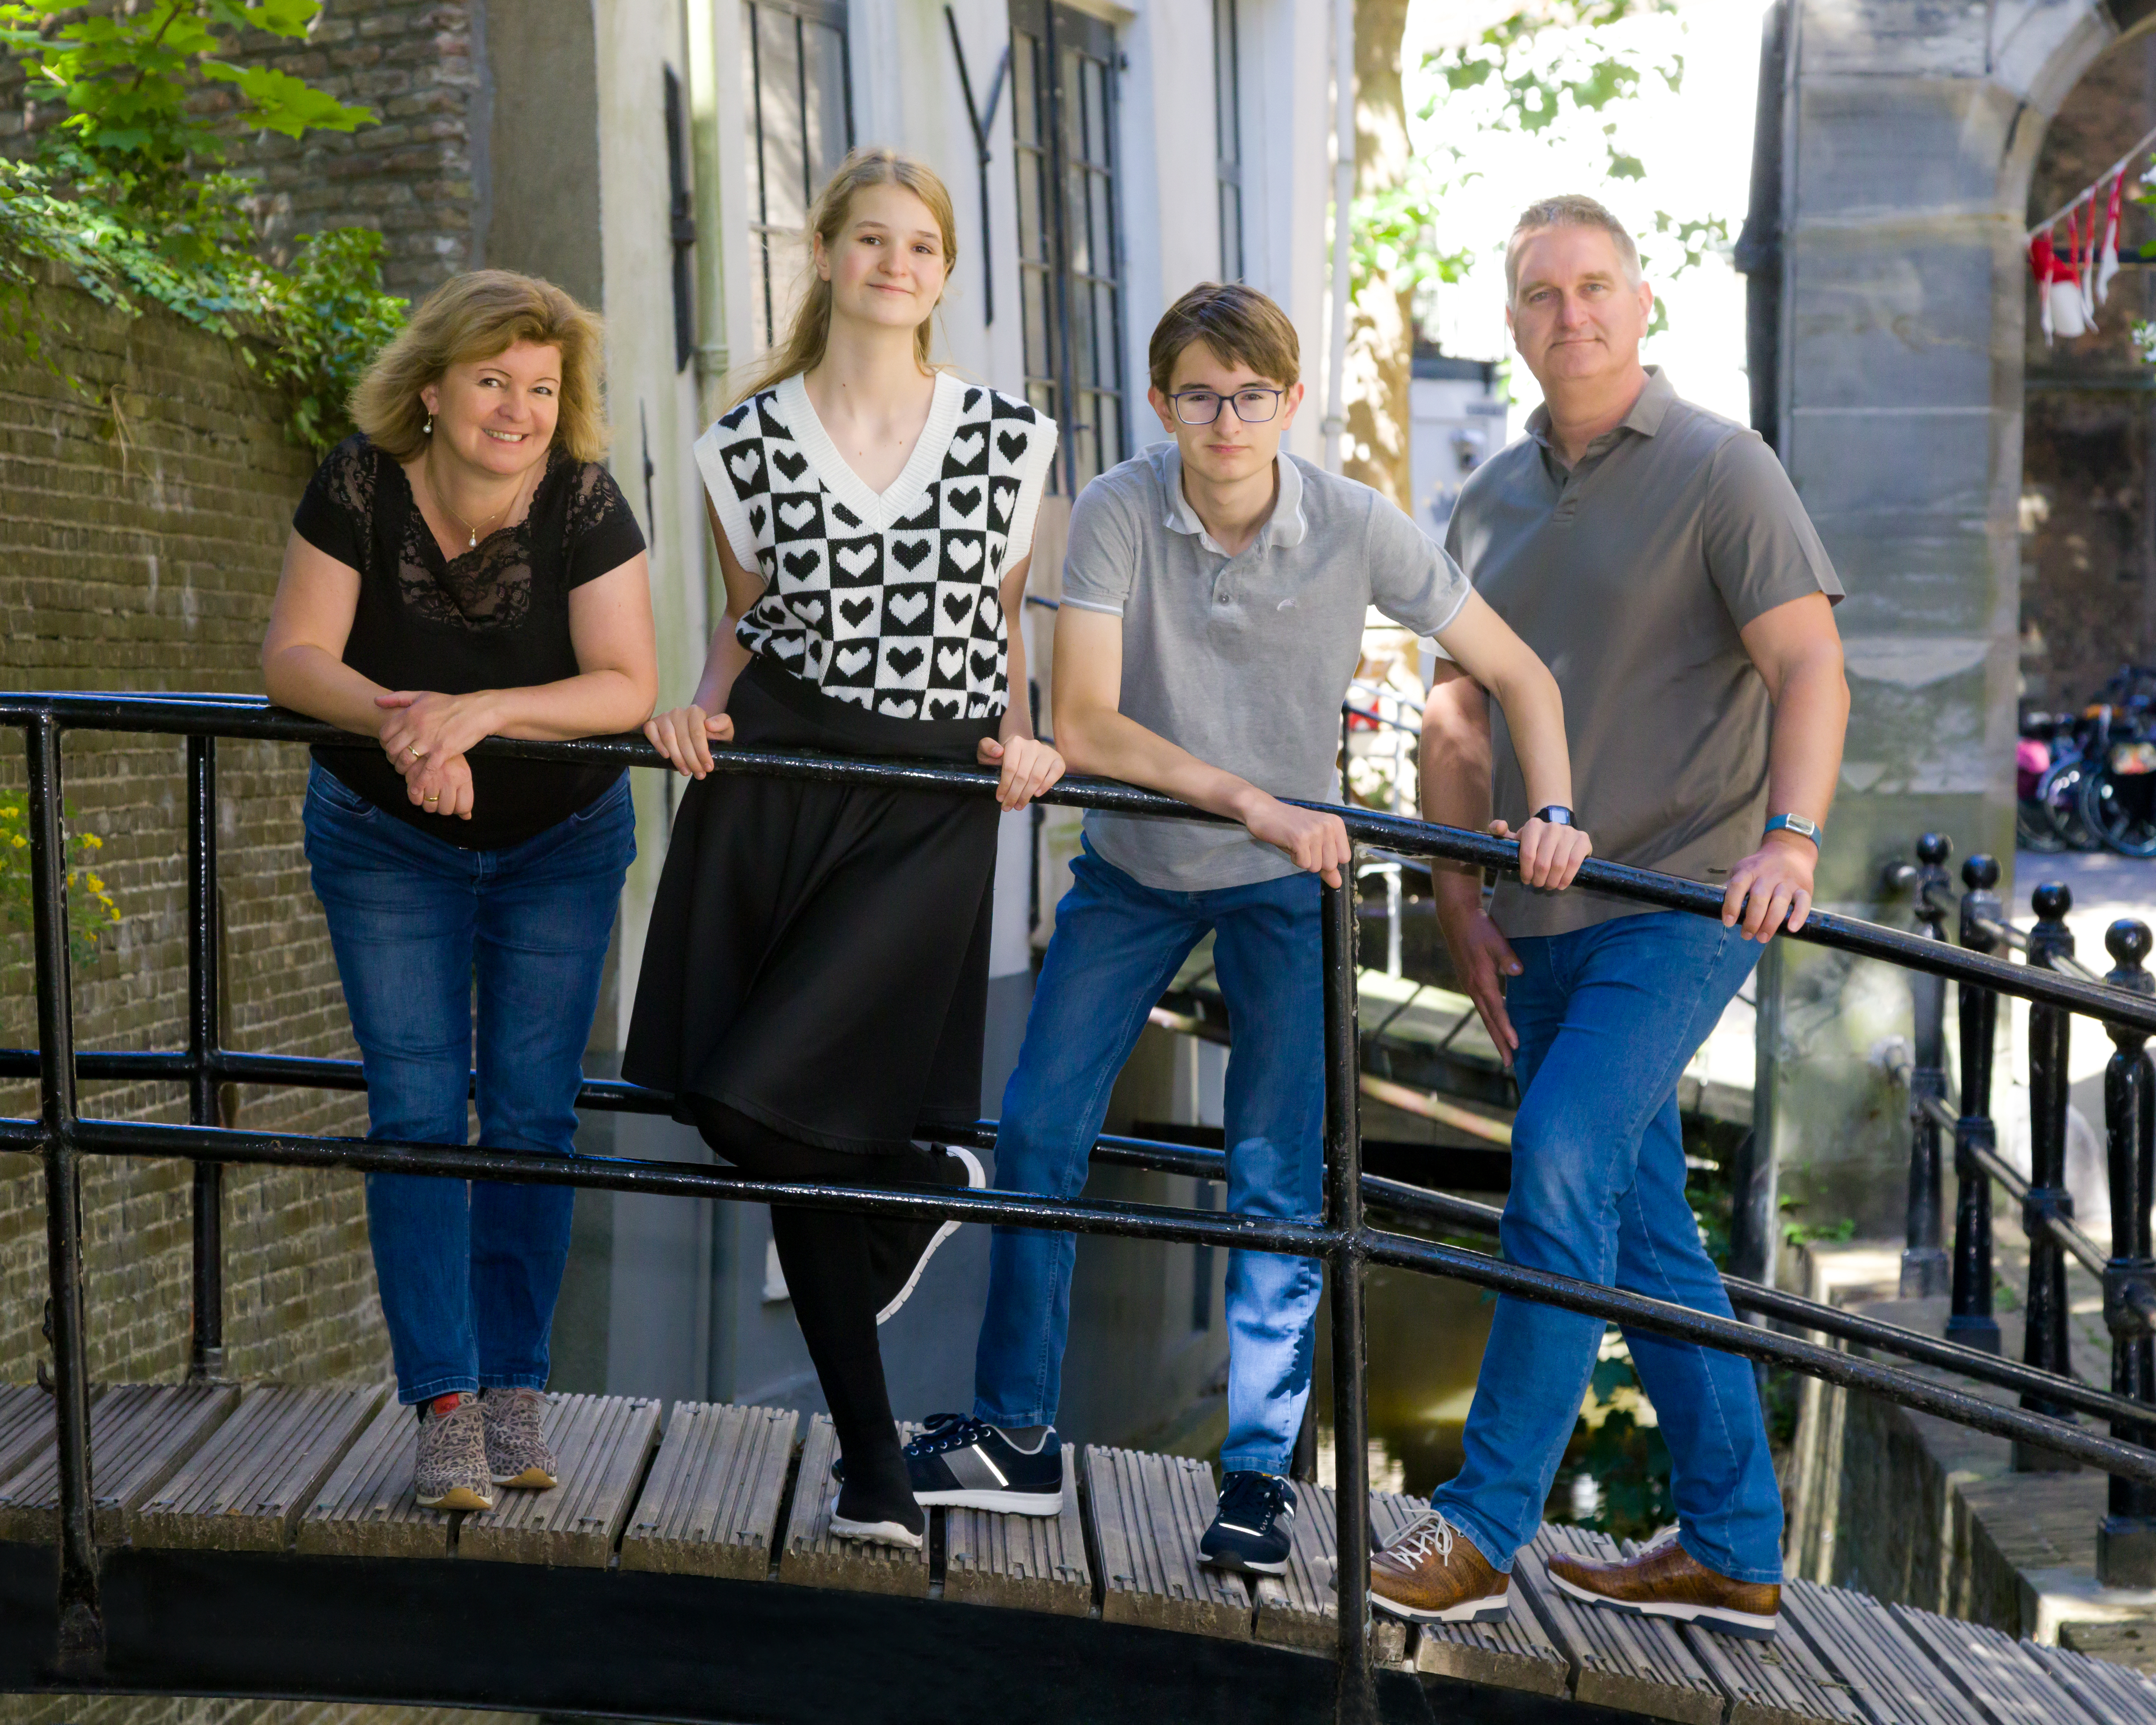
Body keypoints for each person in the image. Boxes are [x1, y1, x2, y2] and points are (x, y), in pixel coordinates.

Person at [900, 281, 1589, 1578]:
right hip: (1138, 869)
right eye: (1202, 396)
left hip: (1285, 888)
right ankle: (1019, 1433)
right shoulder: (1113, 510)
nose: (1227, 420)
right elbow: (1088, 725)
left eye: (1253, 395)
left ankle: (1260, 1482)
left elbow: (1518, 675)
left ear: (1291, 402)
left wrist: (1549, 804)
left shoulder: (1352, 524)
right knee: (1040, 1125)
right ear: (1163, 405)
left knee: (1278, 1174)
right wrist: (1256, 803)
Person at [1368, 195, 1848, 1639]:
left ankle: (1480, 1526)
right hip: (1538, 920)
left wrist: (1793, 837)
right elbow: (1454, 714)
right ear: (1510, 320)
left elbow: (1811, 667)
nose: (1567, 313)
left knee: (1564, 1158)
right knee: (1644, 1238)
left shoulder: (1723, 467)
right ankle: (1733, 1549)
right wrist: (1456, 895)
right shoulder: (1486, 497)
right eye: (1537, 294)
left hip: (1683, 900)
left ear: (1642, 306)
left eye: (1593, 287)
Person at [622, 147, 1063, 1552]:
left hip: (929, 802)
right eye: (868, 239)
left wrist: (1029, 736)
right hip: (778, 778)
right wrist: (694, 707)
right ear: (824, 256)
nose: (893, 263)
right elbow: (745, 616)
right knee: (761, 1112)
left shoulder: (1011, 439)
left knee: (774, 1097)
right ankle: (873, 1466)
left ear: (942, 274)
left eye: (920, 245)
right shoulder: (739, 443)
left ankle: (921, 1191)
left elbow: (1003, 628)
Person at [262, 270, 659, 1512]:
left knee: (535, 1118)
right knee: (420, 1113)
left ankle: (512, 1394)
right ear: (431, 388)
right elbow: (292, 660)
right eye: (493, 380)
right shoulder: (357, 483)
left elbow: (626, 686)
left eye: (542, 388)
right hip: (389, 840)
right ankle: (442, 1407)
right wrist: (408, 732)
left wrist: (482, 715)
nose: (519, 409)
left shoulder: (585, 500)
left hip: (561, 843)